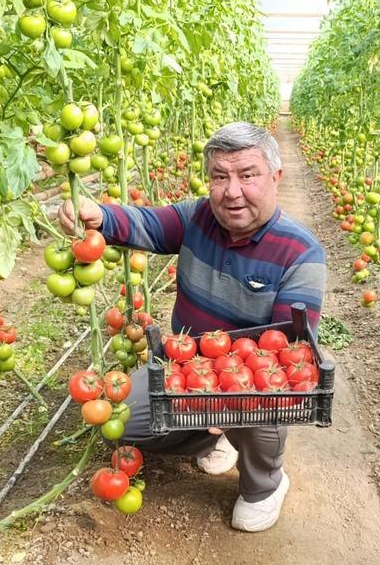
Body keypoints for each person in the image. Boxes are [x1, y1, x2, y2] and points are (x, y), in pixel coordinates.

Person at [57, 122, 326, 532]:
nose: (232, 191)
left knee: (269, 405)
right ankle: (211, 435)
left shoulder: (300, 252)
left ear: (275, 177)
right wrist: (100, 217)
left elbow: (287, 354)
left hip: (249, 381)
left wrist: (221, 401)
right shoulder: (196, 217)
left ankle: (264, 484)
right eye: (220, 176)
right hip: (185, 370)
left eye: (247, 175)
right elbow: (144, 225)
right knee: (123, 423)